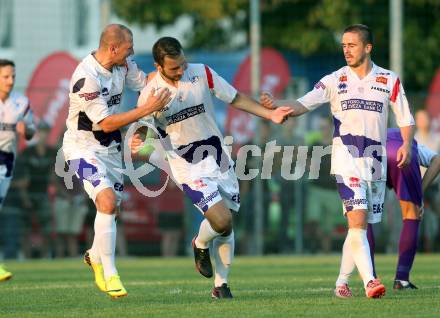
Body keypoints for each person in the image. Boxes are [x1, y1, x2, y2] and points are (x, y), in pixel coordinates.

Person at [130, 36, 292, 299]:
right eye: (174, 68)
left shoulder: (202, 71)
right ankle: (200, 242)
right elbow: (144, 134)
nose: (181, 70)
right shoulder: (150, 94)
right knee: (221, 219)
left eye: (182, 63)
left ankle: (221, 285)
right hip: (187, 165)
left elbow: (236, 98)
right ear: (159, 67)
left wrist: (269, 113)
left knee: (227, 226)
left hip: (218, 157)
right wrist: (141, 143)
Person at [261, 24, 415, 298]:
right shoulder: (334, 80)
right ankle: (370, 281)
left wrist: (405, 144)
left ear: (368, 48)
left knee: (360, 225)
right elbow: (303, 103)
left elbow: (404, 117)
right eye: (343, 45)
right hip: (346, 163)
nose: (346, 50)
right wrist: (278, 105)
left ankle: (341, 282)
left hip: (375, 165)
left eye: (352, 45)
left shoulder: (389, 80)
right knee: (357, 220)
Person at [60, 24, 171, 298]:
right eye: (128, 47)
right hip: (81, 149)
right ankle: (110, 273)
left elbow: (147, 84)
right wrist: (145, 110)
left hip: (110, 150)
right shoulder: (86, 78)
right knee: (107, 201)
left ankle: (94, 256)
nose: (131, 51)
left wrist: (171, 68)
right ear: (113, 48)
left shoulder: (123, 66)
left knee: (111, 211)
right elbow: (107, 123)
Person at [366, 128, 440, 290]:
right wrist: (419, 192)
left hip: (371, 152)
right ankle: (402, 278)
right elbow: (437, 160)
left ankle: (370, 279)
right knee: (411, 214)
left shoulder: (372, 133)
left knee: (365, 219)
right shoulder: (412, 143)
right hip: (401, 151)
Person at [0, 59, 35, 281]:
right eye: (5, 76)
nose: (11, 81)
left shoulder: (21, 102)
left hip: (7, 159)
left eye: (13, 76)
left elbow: (31, 131)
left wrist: (26, 130)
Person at [19, 122, 57, 258]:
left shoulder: (52, 152)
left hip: (43, 194)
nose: (43, 134)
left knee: (46, 228)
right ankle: (26, 256)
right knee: (25, 228)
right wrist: (24, 198)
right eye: (41, 131)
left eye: (46, 131)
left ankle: (45, 256)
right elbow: (22, 176)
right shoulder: (27, 152)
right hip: (27, 194)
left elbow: (55, 174)